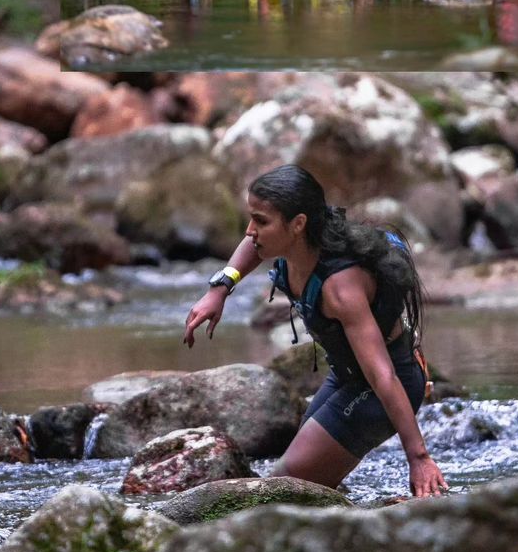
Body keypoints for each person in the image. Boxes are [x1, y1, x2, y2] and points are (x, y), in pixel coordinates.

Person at [183, 164, 448, 498]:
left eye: (261, 221)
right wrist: (220, 288)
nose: (250, 230)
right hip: (347, 376)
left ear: (298, 224)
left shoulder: (340, 288)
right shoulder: (293, 246)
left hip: (386, 382)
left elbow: (382, 376)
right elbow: (250, 245)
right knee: (303, 482)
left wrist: (419, 458)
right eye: (252, 218)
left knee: (283, 487)